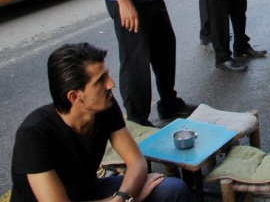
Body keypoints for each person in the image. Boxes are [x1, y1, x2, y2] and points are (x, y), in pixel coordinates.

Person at [10, 43, 192, 202]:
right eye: (100, 81)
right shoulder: (33, 135)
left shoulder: (105, 107)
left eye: (107, 75)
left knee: (172, 190)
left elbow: (137, 162)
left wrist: (124, 196)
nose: (111, 84)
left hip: (89, 192)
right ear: (75, 96)